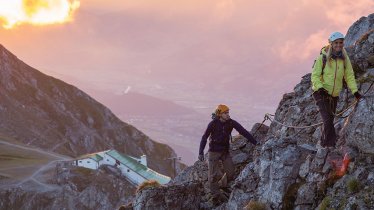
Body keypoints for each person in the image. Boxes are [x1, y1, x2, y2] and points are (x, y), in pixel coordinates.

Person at [311, 31, 362, 148]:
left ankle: (324, 145)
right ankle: (328, 146)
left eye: (341, 42)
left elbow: (349, 75)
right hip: (321, 94)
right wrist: (320, 88)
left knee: (329, 120)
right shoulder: (322, 57)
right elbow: (315, 75)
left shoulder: (344, 58)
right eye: (336, 43)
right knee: (328, 120)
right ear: (331, 43)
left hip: (334, 95)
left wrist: (355, 91)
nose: (339, 45)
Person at [198, 104, 258, 202]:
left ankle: (222, 185)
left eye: (228, 112)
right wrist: (201, 152)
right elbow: (204, 137)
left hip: (224, 151)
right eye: (225, 113)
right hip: (213, 152)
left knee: (230, 172)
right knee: (212, 176)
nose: (227, 114)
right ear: (219, 114)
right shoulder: (213, 124)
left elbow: (243, 131)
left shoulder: (231, 123)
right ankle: (216, 195)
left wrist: (255, 142)